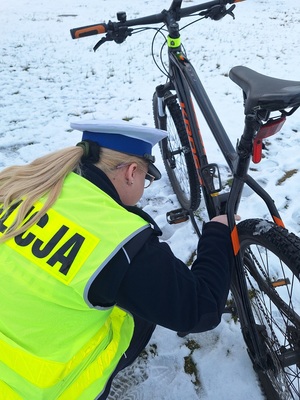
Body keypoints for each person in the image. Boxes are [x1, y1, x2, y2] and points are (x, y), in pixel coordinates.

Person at [0, 119, 234, 399]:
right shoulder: (118, 239)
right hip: (34, 390)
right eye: (147, 179)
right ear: (132, 172)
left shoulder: (19, 186)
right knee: (133, 309)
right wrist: (218, 233)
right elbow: (200, 309)